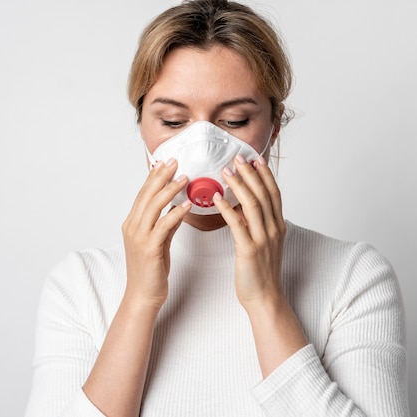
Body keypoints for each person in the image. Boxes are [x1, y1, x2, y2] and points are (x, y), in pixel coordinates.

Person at [24, 1, 408, 416]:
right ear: (141, 125)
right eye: (173, 121)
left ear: (273, 127)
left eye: (235, 120)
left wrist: (266, 299)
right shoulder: (81, 286)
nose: (203, 145)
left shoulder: (353, 276)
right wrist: (138, 302)